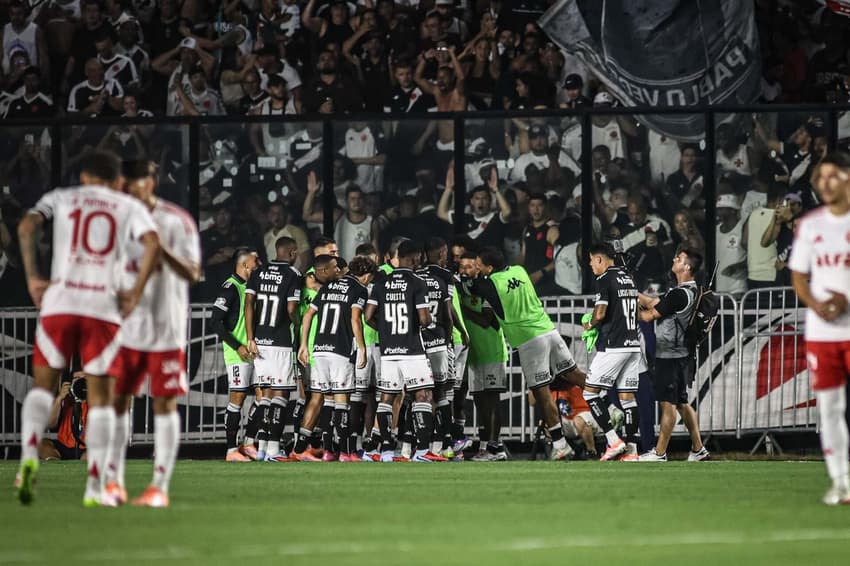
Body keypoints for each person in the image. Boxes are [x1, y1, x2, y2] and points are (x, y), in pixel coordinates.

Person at [15, 150, 161, 506]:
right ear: (116, 181)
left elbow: (26, 225)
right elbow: (153, 245)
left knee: (42, 386)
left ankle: (28, 459)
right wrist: (135, 293)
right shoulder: (127, 206)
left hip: (61, 301)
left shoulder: (61, 197)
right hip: (102, 306)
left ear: (83, 178)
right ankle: (96, 484)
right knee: (100, 397)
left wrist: (34, 278)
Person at [103, 160, 200, 508]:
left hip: (165, 328)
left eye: (136, 182)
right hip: (127, 327)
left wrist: (163, 251)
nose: (130, 190)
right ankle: (113, 482)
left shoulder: (176, 220)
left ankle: (158, 486)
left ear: (151, 182)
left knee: (164, 403)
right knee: (117, 401)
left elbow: (193, 272)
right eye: (125, 184)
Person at [462, 246, 587, 460]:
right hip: (548, 329)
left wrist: (461, 277)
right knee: (574, 374)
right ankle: (606, 399)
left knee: (541, 392)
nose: (477, 269)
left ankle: (559, 444)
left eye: (479, 265)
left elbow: (466, 286)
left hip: (529, 339)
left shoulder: (491, 283)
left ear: (490, 268)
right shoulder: (519, 270)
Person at [789, 152, 850, 505]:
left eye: (832, 176)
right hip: (822, 331)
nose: (825, 183)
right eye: (820, 178)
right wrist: (816, 306)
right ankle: (841, 482)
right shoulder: (811, 225)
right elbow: (798, 275)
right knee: (829, 407)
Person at [364, 240, 447, 462]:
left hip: (389, 350)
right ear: (416, 257)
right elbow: (424, 318)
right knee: (424, 395)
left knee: (387, 398)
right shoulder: (417, 282)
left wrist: (386, 331)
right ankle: (421, 451)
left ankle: (387, 450)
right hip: (412, 349)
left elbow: (368, 315)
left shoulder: (381, 283)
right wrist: (426, 322)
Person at [295, 255, 373, 462]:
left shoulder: (327, 288)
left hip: (319, 349)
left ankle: (329, 451)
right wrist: (362, 348)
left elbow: (307, 315)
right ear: (365, 276)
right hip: (340, 350)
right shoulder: (358, 290)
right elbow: (355, 318)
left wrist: (304, 345)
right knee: (342, 402)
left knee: (327, 401)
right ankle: (347, 453)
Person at [637, 248, 709, 463]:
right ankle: (698, 449)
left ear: (687, 267)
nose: (674, 259)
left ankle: (659, 454)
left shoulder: (679, 294)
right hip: (681, 355)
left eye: (679, 258)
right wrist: (633, 294)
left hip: (670, 357)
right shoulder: (687, 291)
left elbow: (649, 315)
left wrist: (624, 310)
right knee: (681, 403)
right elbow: (654, 303)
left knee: (667, 404)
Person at [582, 244, 642, 461]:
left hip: (613, 344)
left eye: (591, 260)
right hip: (633, 344)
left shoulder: (604, 279)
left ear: (599, 259)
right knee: (627, 397)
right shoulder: (628, 278)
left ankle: (613, 440)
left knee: (589, 393)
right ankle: (632, 450)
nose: (590, 265)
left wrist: (590, 324)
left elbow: (600, 312)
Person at [245, 237, 302, 462]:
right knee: (281, 394)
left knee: (265, 395)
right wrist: (298, 323)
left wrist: (251, 337)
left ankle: (261, 448)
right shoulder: (293, 275)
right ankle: (274, 449)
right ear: (293, 252)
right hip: (280, 341)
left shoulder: (258, 273)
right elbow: (290, 309)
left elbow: (249, 304)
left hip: (259, 340)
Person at [211, 247, 264, 462]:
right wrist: (237, 346)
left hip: (255, 352)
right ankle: (231, 450)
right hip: (237, 354)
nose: (259, 264)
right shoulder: (230, 288)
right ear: (244, 265)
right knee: (238, 399)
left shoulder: (251, 287)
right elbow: (216, 321)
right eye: (256, 261)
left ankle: (249, 442)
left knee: (264, 397)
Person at [458, 251, 509, 461]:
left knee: (492, 400)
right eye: (462, 267)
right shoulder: (461, 290)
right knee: (480, 401)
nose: (465, 271)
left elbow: (486, 320)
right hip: (474, 355)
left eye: (470, 266)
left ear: (478, 268)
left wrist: (462, 310)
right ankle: (486, 446)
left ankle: (495, 447)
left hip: (491, 351)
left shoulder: (487, 288)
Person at [416, 237, 456, 457]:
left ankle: (413, 444)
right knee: (443, 393)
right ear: (441, 253)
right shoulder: (445, 277)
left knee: (418, 395)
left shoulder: (416, 277)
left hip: (418, 344)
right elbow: (448, 314)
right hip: (439, 342)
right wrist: (448, 338)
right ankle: (443, 444)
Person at [39, 373, 88, 461]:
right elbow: (51, 424)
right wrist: (59, 398)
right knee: (40, 444)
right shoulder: (66, 398)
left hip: (87, 447)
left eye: (84, 378)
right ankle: (55, 464)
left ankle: (83, 465)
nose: (81, 381)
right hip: (64, 444)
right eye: (77, 378)